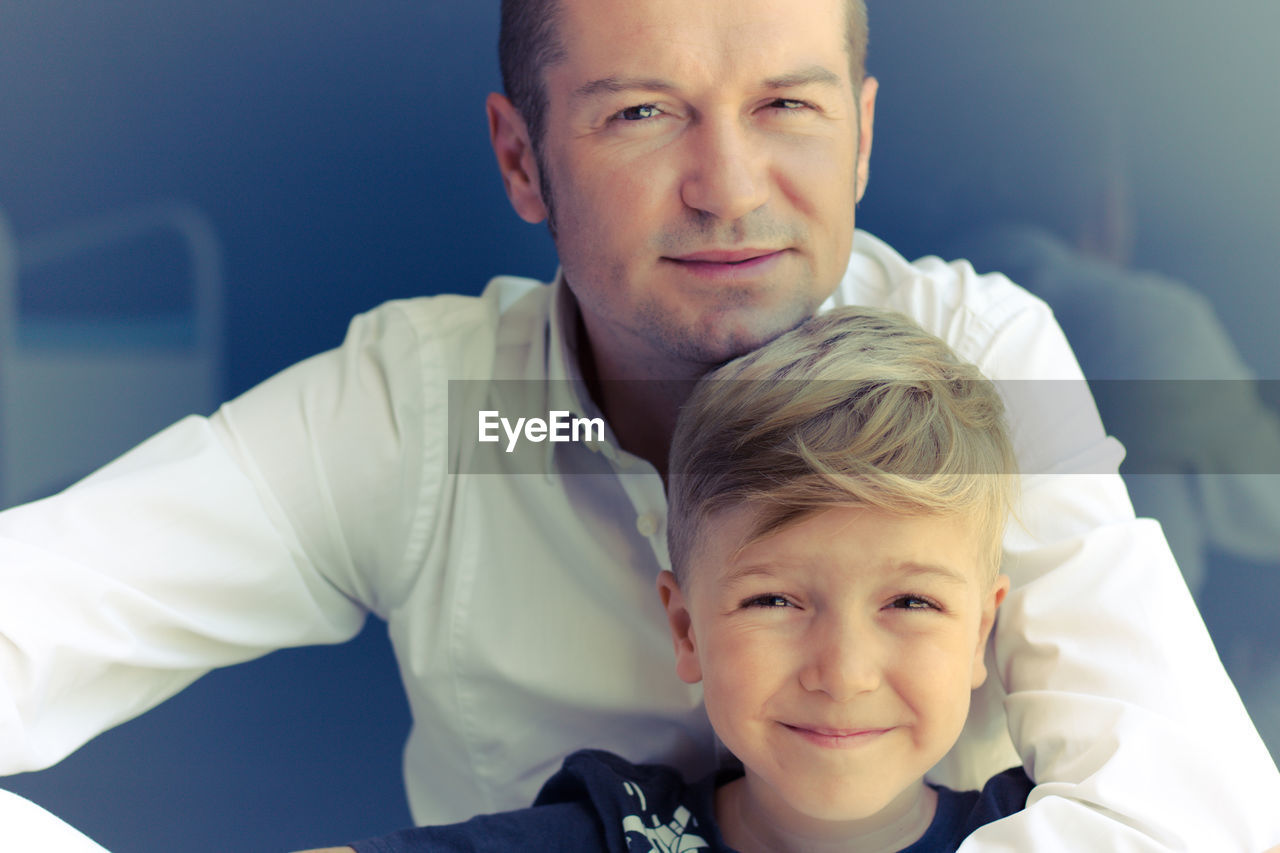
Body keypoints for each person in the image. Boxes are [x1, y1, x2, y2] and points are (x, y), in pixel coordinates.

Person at [1, 0, 1277, 850]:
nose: (728, 188)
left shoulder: (980, 366)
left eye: (787, 106)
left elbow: (1195, 816)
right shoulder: (439, 418)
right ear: (519, 159)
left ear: (862, 135)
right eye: (640, 113)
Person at [305, 306, 1034, 853]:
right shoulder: (625, 833)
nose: (843, 673)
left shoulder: (1046, 832)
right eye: (773, 599)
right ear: (686, 626)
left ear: (980, 632)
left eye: (911, 601)